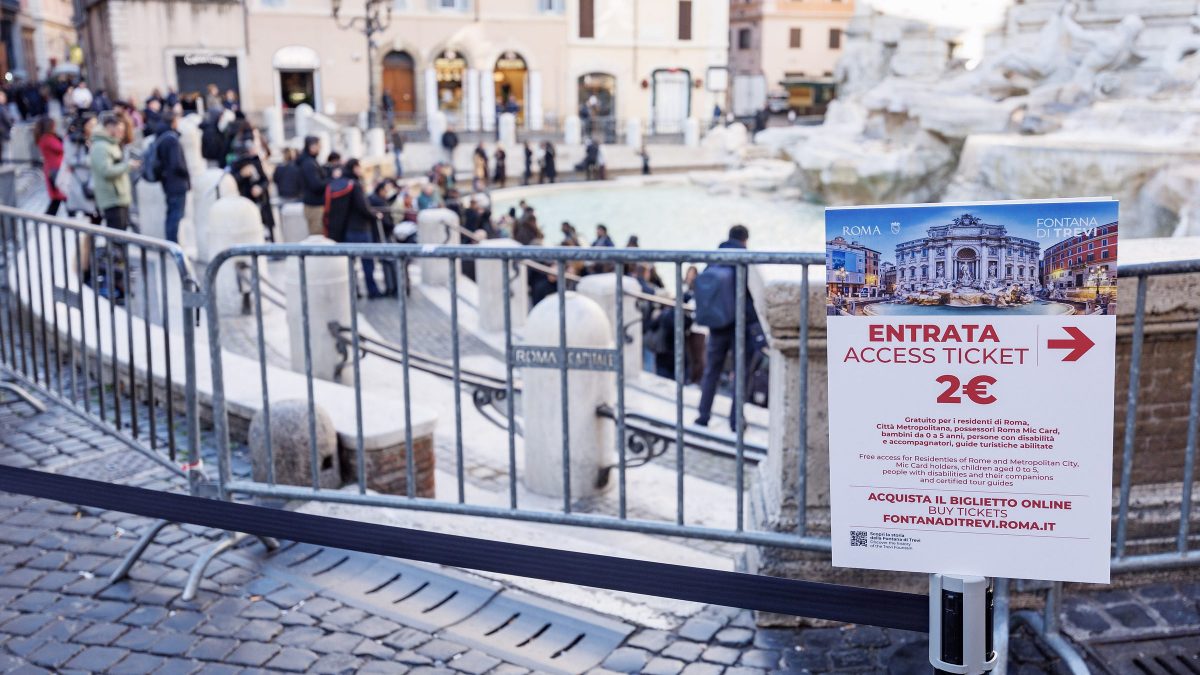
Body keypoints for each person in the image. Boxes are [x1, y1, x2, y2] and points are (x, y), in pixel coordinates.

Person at [694, 225, 762, 431]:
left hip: (717, 324)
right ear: (745, 240)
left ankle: (703, 415)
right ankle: (735, 421)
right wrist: (755, 327)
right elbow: (749, 296)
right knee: (741, 372)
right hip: (739, 325)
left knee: (712, 370)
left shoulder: (715, 257)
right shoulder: (743, 258)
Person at [324, 158, 383, 298]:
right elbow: (363, 207)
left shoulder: (338, 184)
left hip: (346, 230)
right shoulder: (355, 185)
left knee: (351, 264)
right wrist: (375, 215)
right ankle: (372, 290)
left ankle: (354, 291)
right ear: (355, 168)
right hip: (361, 229)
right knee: (367, 262)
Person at [151, 110, 191, 243]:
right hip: (177, 183)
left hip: (167, 182)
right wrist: (186, 174)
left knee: (171, 213)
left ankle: (170, 243)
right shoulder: (171, 139)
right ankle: (173, 244)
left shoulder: (162, 137)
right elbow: (177, 164)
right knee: (176, 215)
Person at [231, 138, 274, 241]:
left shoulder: (256, 161)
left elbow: (265, 180)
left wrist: (259, 188)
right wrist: (241, 174)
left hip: (261, 200)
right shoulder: (235, 164)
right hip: (245, 201)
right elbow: (232, 182)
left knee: (267, 226)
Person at [34, 117, 66, 215]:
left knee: (58, 198)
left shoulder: (48, 137)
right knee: (59, 196)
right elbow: (61, 148)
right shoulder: (47, 138)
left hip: (55, 169)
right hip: (54, 170)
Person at [298, 135, 328, 235]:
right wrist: (331, 180)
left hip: (314, 205)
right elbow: (316, 185)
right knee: (317, 236)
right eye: (319, 146)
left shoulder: (310, 161)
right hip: (315, 206)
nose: (320, 148)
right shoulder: (309, 163)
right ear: (312, 147)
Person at [0, 90, 12, 161]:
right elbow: (7, 120)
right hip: (3, 132)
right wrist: (11, 125)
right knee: (6, 150)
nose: (5, 98)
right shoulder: (2, 108)